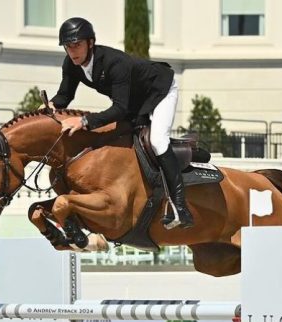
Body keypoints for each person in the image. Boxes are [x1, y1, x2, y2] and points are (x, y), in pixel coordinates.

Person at [45, 17, 193, 229]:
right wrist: (50, 105)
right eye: (68, 46)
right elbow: (64, 95)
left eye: (77, 45)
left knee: (158, 140)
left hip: (160, 89)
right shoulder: (71, 64)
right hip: (135, 99)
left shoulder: (114, 62)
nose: (72, 51)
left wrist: (85, 120)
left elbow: (120, 108)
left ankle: (181, 207)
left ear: (90, 42)